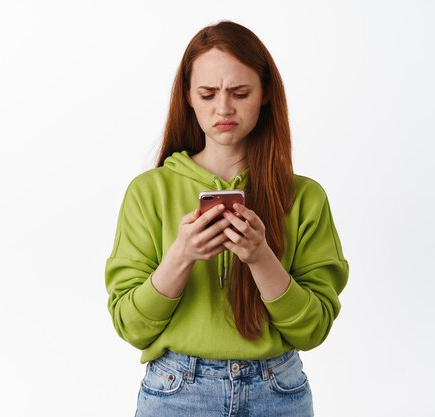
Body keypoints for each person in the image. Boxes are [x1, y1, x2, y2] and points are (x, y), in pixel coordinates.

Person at [105, 20, 349, 417]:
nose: (223, 108)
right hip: (176, 391)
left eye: (240, 93)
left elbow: (313, 329)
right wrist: (181, 255)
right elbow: (132, 327)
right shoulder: (149, 191)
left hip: (278, 391)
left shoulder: (304, 197)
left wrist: (260, 256)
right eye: (207, 93)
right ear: (187, 97)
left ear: (266, 93)